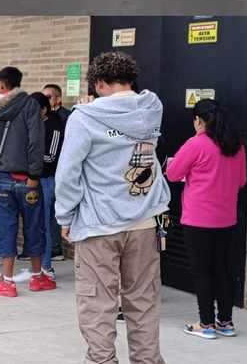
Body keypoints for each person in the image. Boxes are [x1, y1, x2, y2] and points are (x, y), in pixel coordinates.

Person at [53, 51, 171, 364]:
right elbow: (127, 107)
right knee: (144, 301)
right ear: (130, 78)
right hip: (145, 220)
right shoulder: (152, 107)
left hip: (99, 223)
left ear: (100, 83)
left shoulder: (84, 117)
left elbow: (68, 173)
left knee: (98, 304)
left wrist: (64, 216)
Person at [165, 99, 247, 340]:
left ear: (198, 120)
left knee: (202, 272)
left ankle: (206, 323)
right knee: (223, 269)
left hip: (198, 218)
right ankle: (226, 321)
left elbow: (173, 173)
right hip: (226, 218)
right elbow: (241, 181)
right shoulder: (236, 146)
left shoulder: (196, 144)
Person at [0, 67, 55, 297]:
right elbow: (36, 142)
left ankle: (7, 281)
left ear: (1, 85)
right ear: (18, 84)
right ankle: (38, 277)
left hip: (2, 177)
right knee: (34, 226)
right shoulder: (31, 105)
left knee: (6, 227)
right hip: (28, 179)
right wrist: (34, 174)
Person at [37, 85, 71, 271]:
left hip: (50, 178)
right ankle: (43, 261)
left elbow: (52, 156)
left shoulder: (58, 122)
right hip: (39, 178)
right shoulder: (40, 123)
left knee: (47, 221)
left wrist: (29, 159)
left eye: (48, 97)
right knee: (41, 222)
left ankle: (47, 263)